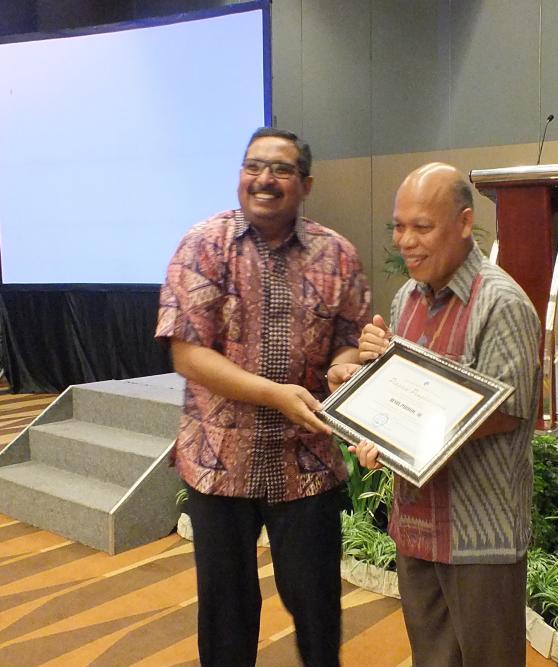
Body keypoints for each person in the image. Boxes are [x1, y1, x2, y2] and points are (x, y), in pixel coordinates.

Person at [156, 127, 371, 667]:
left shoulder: (337, 255)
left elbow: (350, 346)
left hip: (307, 463)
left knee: (318, 608)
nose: (264, 180)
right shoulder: (202, 244)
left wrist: (346, 372)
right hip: (218, 461)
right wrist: (275, 394)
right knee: (226, 615)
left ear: (306, 183)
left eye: (280, 169)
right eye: (254, 167)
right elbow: (188, 354)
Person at [331, 162, 541, 667]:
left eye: (421, 227)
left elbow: (507, 411)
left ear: (465, 223)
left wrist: (402, 417)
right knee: (432, 660)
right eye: (399, 226)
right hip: (417, 527)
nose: (406, 241)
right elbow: (399, 394)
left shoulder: (502, 302)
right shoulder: (406, 298)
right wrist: (367, 395)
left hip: (479, 538)